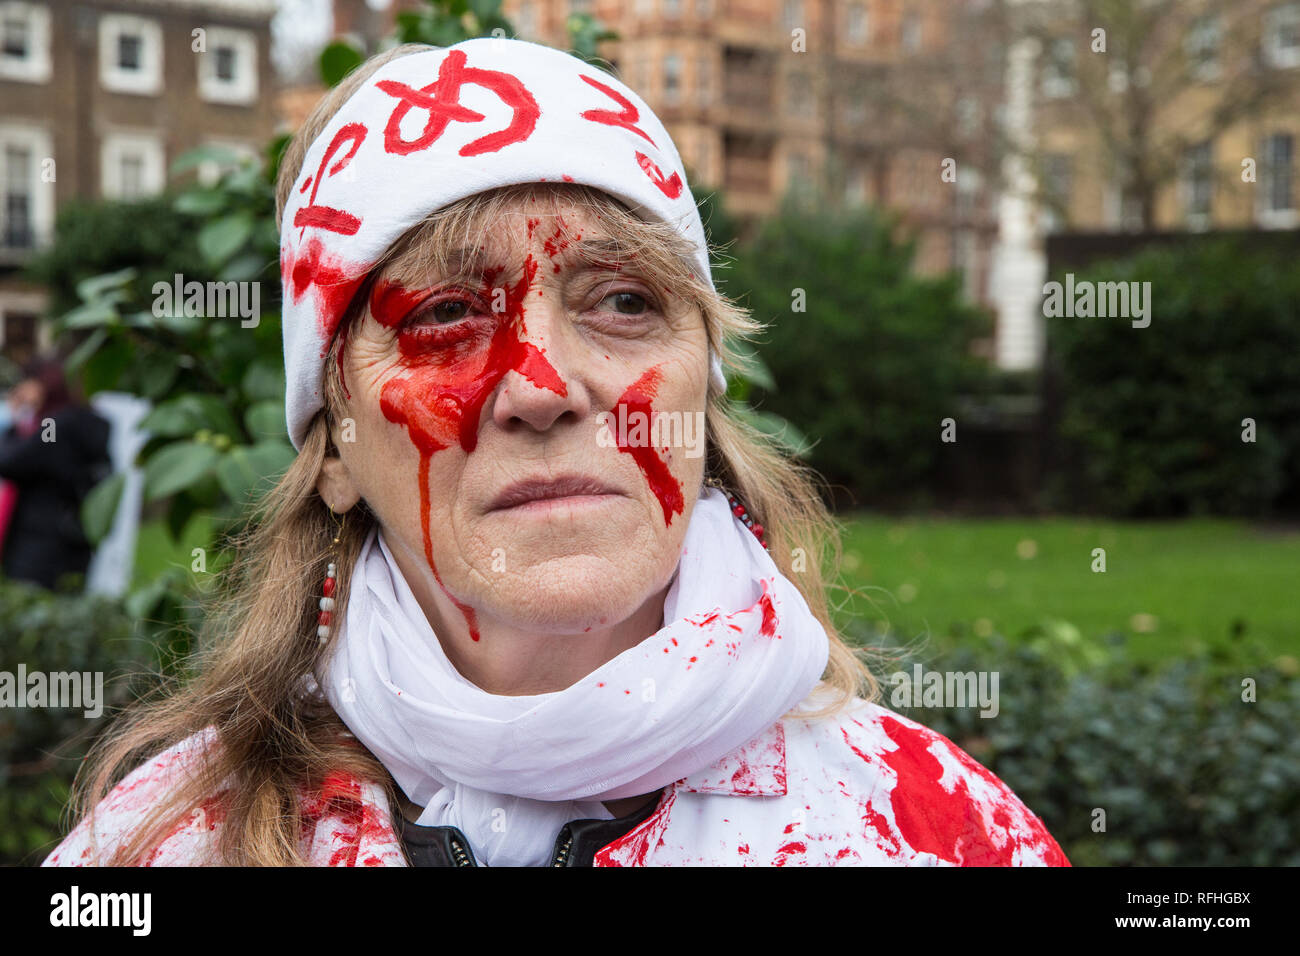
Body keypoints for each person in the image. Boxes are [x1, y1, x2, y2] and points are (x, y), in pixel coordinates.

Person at [43, 38, 1068, 867]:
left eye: (624, 300)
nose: (541, 385)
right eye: (445, 313)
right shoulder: (150, 851)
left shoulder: (937, 835)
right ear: (334, 446)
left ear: (696, 399)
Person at [0, 356, 111, 590]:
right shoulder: (88, 422)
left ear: (44, 384)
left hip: (40, 546)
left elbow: (10, 461)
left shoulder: (54, 426)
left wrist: (15, 420)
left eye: (27, 382)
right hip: (73, 539)